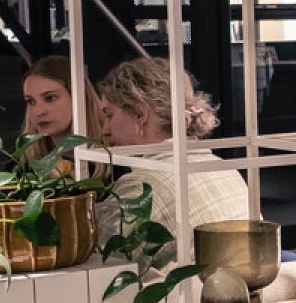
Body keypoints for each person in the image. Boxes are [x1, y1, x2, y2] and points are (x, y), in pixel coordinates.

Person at [95, 57, 250, 242]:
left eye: (109, 115)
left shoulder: (142, 188)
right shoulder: (224, 169)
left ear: (140, 114)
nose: (104, 131)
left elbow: (99, 258)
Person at [22, 53, 103, 164]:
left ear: (78, 97)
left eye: (50, 98)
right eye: (31, 101)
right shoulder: (21, 169)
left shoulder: (115, 159)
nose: (38, 112)